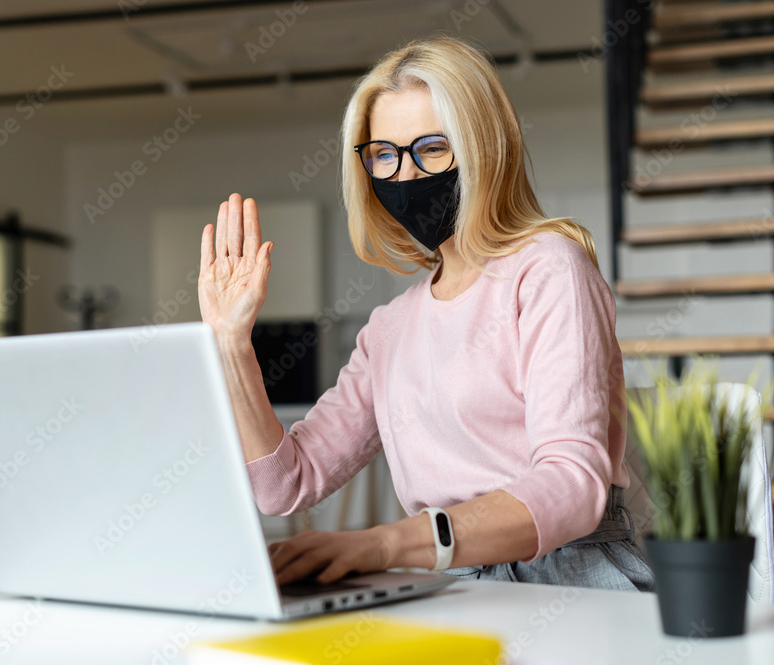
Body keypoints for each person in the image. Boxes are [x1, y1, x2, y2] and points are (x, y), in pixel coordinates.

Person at [197, 36, 654, 592]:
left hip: (567, 576)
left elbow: (573, 486)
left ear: (484, 148)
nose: (406, 176)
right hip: (449, 581)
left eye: (433, 148)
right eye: (384, 155)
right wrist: (231, 344)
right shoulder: (389, 329)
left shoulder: (549, 268)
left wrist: (387, 543)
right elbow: (285, 485)